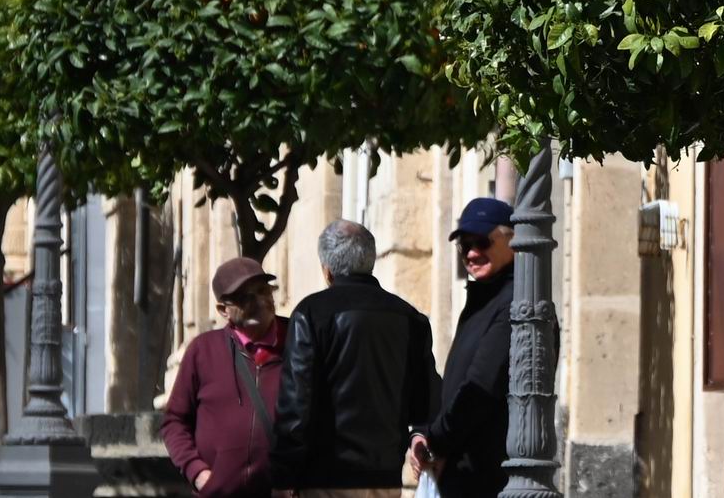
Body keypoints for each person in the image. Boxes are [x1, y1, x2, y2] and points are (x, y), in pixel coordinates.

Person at [271, 221, 433, 498]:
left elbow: (296, 406)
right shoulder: (409, 317)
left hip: (326, 478)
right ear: (370, 260)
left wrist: (284, 475)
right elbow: (425, 399)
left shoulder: (311, 313)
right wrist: (419, 433)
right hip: (384, 478)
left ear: (327, 269)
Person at [408, 198, 515, 498]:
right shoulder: (481, 300)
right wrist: (424, 434)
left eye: (482, 242)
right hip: (460, 469)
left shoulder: (513, 304)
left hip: (487, 475)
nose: (471, 253)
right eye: (464, 245)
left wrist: (436, 441)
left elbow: (478, 388)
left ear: (513, 240)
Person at [158, 260, 289, 498]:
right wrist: (198, 474)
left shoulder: (299, 340)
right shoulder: (203, 350)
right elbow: (174, 421)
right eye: (244, 297)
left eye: (262, 290)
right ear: (223, 310)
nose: (258, 301)